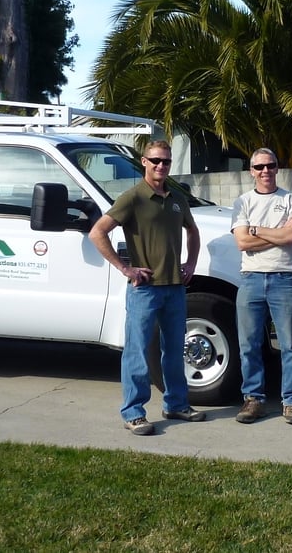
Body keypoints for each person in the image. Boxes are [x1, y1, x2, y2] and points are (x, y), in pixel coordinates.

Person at [90, 140, 206, 436]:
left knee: (172, 351)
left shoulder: (176, 197)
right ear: (144, 162)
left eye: (166, 161)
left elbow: (192, 230)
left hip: (175, 287)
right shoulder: (132, 198)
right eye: (155, 160)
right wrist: (125, 268)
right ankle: (133, 413)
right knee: (137, 353)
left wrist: (190, 263)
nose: (161, 166)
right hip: (145, 289)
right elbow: (97, 232)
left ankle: (176, 404)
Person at [230, 148, 292, 425]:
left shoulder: (291, 199)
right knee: (248, 344)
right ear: (251, 171)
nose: (265, 171)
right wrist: (278, 234)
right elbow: (241, 243)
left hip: (283, 278)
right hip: (250, 277)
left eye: (270, 166)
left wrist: (256, 229)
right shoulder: (243, 202)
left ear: (277, 168)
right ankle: (253, 400)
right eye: (259, 167)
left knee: (290, 345)